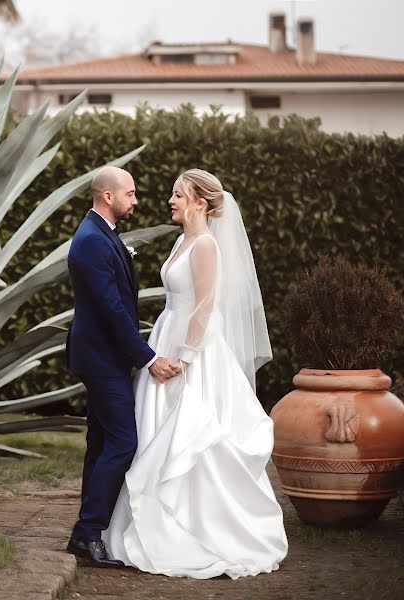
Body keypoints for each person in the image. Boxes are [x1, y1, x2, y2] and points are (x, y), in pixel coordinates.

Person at [101, 168, 288, 579]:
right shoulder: (181, 239)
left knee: (192, 436)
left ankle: (201, 527)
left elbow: (205, 306)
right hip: (167, 336)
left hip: (192, 350)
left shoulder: (205, 245)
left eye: (178, 195)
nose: (171, 200)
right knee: (157, 432)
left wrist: (185, 358)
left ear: (201, 203)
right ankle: (152, 524)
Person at [65, 165, 182, 568]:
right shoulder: (92, 241)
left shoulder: (100, 234)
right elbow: (111, 310)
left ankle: (85, 534)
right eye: (130, 194)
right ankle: (88, 532)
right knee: (123, 443)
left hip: (103, 356)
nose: (136, 201)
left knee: (100, 444)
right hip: (101, 358)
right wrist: (147, 357)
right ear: (108, 196)